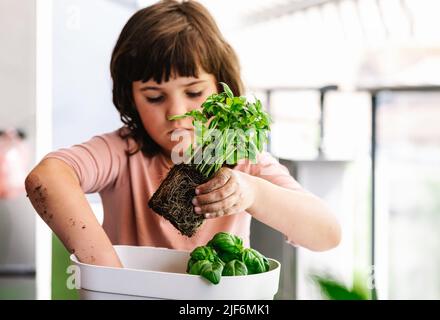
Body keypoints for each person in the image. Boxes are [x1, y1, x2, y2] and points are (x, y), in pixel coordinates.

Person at [25, 0, 341, 268]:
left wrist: (254, 192)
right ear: (130, 98)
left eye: (193, 92)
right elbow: (47, 178)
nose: (177, 112)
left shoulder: (242, 158)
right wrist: (109, 273)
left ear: (221, 87)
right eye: (154, 96)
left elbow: (327, 233)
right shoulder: (122, 152)